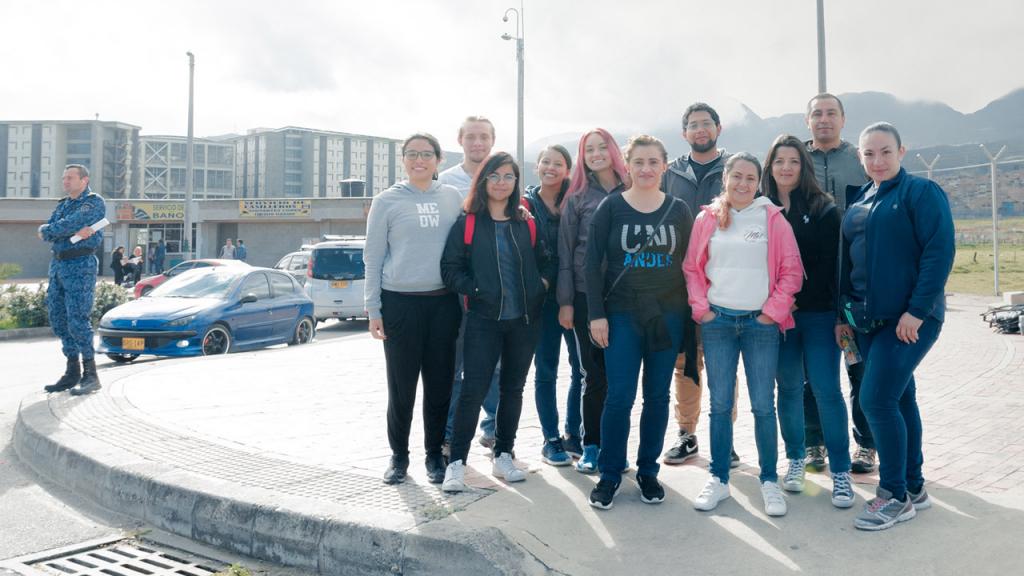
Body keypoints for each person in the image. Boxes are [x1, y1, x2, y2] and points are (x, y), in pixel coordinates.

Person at [842, 122, 954, 531]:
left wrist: (918, 310)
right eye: (869, 154)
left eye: (885, 152)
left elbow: (939, 252)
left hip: (909, 320)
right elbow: (850, 261)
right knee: (900, 398)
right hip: (868, 322)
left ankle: (893, 496)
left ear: (902, 152)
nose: (878, 160)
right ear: (860, 157)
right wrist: (845, 315)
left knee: (876, 400)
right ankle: (913, 486)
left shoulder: (920, 192)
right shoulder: (862, 198)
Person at [684, 152, 803, 517]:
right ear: (726, 178)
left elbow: (791, 272)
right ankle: (719, 478)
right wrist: (701, 309)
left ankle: (768, 480)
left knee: (763, 406)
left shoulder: (772, 220)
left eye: (750, 178)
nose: (743, 184)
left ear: (758, 182)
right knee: (720, 405)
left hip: (759, 326)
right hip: (718, 323)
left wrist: (772, 313)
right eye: (737, 176)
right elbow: (692, 267)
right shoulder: (707, 218)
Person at [584, 136, 692, 509]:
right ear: (627, 166)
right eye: (639, 162)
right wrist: (596, 314)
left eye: (653, 162)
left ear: (665, 166)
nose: (646, 169)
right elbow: (591, 263)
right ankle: (610, 474)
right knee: (619, 396)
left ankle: (648, 471)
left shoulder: (679, 210)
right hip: (622, 315)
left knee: (658, 395)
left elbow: (690, 266)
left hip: (667, 316)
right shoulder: (612, 208)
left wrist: (693, 325)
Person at [440, 152, 554, 492]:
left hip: (524, 321)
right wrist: (475, 288)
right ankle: (456, 462)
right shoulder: (468, 222)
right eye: (495, 176)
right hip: (483, 320)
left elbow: (548, 261)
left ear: (516, 182)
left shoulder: (526, 220)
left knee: (513, 390)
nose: (502, 183)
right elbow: (449, 269)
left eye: (508, 176)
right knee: (473, 390)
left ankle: (503, 453)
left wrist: (541, 286)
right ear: (484, 180)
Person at [363, 133, 464, 485]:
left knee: (439, 386)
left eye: (426, 154)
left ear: (438, 160)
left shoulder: (452, 198)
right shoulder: (386, 201)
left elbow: (476, 227)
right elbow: (373, 256)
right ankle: (398, 457)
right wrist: (373, 309)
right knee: (401, 386)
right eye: (412, 154)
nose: (418, 160)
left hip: (443, 303)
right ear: (403, 160)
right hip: (399, 303)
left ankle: (434, 455)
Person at [763, 134, 854, 508]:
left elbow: (836, 269)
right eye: (779, 161)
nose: (786, 168)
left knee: (825, 389)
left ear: (804, 166)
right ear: (769, 166)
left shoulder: (824, 209)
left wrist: (839, 316)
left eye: (794, 161)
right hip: (777, 320)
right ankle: (796, 460)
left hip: (817, 316)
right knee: (787, 390)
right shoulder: (759, 210)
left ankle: (842, 472)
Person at [661, 102, 740, 467]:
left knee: (723, 362)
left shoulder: (734, 169)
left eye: (706, 124)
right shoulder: (671, 172)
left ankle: (727, 437)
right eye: (693, 125)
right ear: (684, 133)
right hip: (678, 284)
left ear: (718, 128)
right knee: (685, 363)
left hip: (725, 280)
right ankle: (687, 434)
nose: (700, 130)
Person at [804, 93, 875, 474]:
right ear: (807, 120)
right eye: (817, 114)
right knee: (810, 373)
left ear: (843, 120)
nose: (824, 119)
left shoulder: (858, 159)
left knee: (858, 366)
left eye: (831, 113)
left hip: (852, 283)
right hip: (809, 285)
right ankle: (814, 443)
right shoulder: (797, 160)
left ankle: (866, 445)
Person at [557, 128, 629, 473]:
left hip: (628, 296)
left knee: (623, 377)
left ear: (614, 151)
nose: (597, 154)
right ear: (582, 157)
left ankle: (618, 447)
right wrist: (567, 301)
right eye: (589, 149)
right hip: (587, 297)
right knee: (593, 375)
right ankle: (592, 445)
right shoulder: (577, 197)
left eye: (603, 147)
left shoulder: (633, 190)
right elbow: (566, 253)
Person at [438, 116, 501, 454]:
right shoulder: (446, 183)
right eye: (472, 137)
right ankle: (449, 435)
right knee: (456, 368)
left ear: (493, 140)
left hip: (494, 293)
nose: (478, 143)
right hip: (456, 292)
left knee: (495, 367)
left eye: (484, 137)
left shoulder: (503, 177)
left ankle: (494, 430)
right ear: (460, 140)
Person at [524, 145, 584, 466]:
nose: (550, 167)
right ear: (537, 166)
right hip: (541, 300)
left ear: (567, 170)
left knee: (580, 369)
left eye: (557, 163)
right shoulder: (525, 204)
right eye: (545, 161)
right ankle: (551, 439)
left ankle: (574, 433)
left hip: (573, 297)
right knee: (545, 370)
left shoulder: (575, 201)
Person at [39, 164, 106, 395]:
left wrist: (54, 231)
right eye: (64, 177)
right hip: (58, 265)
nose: (65, 181)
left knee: (78, 319)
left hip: (80, 264)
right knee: (58, 318)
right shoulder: (63, 204)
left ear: (84, 180)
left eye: (70, 177)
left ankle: (91, 374)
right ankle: (72, 371)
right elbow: (47, 231)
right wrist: (54, 230)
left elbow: (67, 225)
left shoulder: (94, 202)